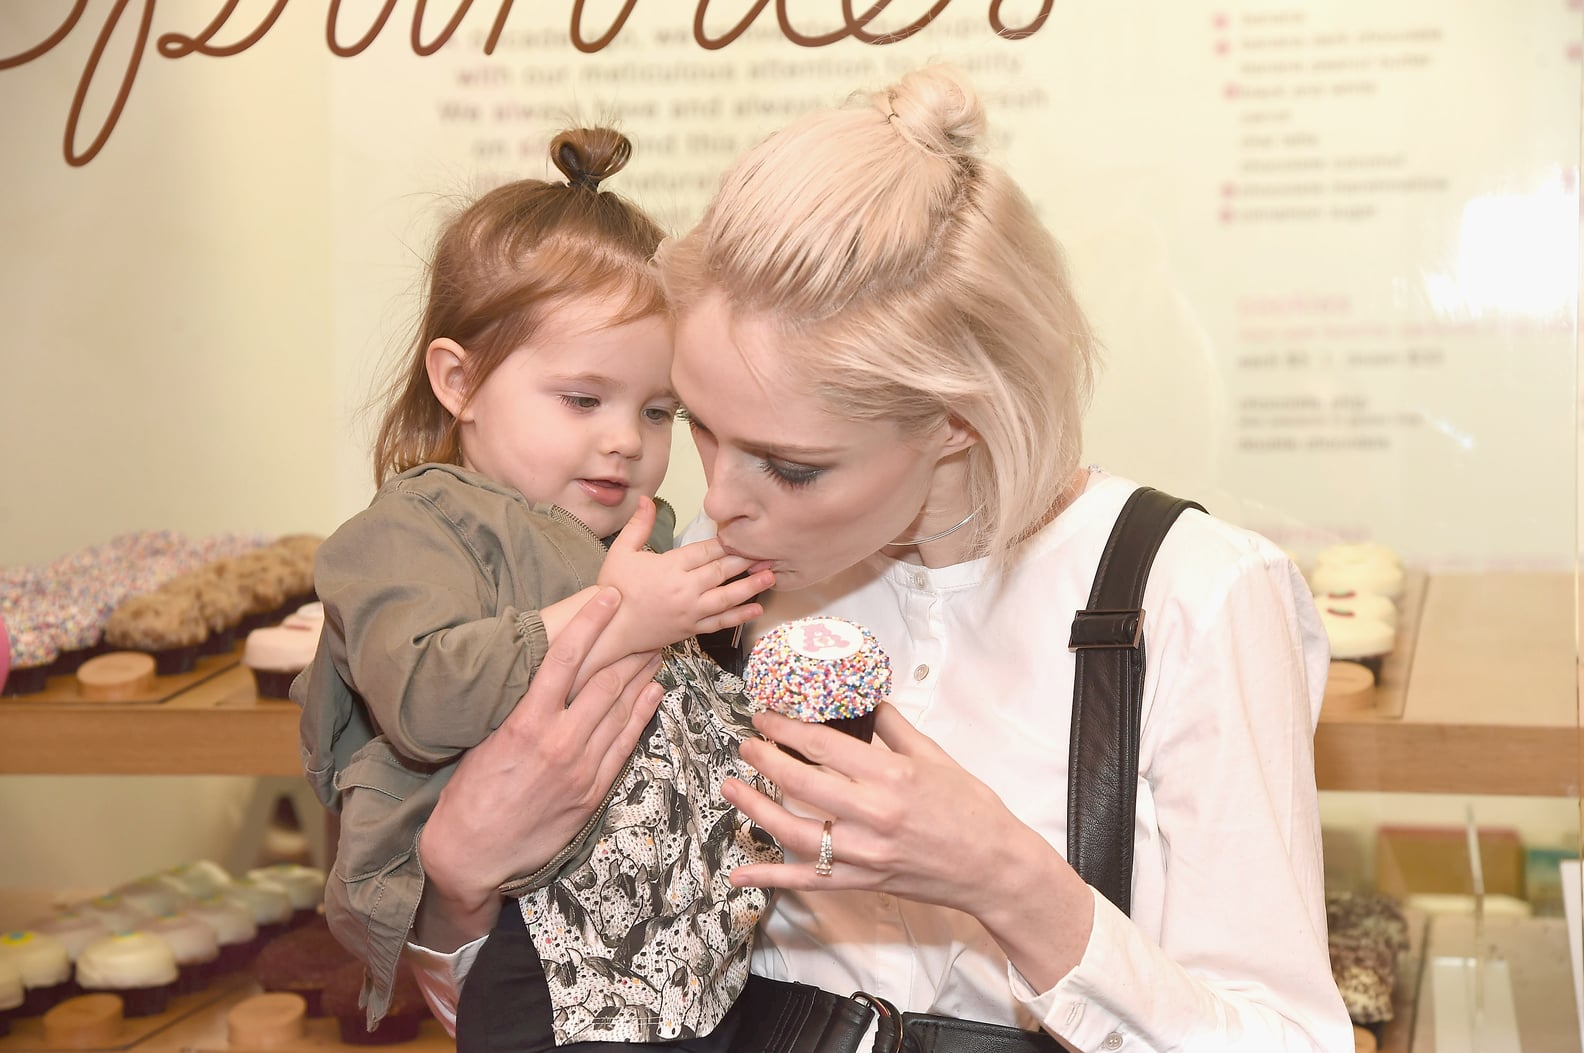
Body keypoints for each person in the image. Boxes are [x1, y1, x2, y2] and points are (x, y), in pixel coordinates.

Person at [405, 67, 1355, 1052]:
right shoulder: (707, 583)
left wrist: (1006, 878)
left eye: (792, 467)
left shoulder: (1196, 598)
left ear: (956, 421)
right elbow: (585, 1013)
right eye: (699, 427)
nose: (720, 501)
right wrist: (461, 890)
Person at [295, 128, 781, 1049]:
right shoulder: (410, 532)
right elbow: (427, 695)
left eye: (657, 410)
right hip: (529, 934)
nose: (626, 442)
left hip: (679, 940)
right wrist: (619, 615)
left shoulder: (639, 530)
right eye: (582, 399)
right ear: (460, 380)